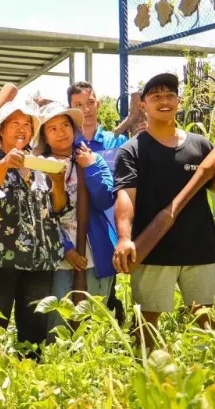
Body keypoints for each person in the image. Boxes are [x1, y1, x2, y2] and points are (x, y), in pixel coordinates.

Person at [112, 73, 215, 339]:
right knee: (147, 325)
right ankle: (146, 372)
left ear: (179, 101)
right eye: (156, 97)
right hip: (153, 249)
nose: (164, 102)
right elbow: (125, 198)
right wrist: (124, 238)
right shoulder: (132, 150)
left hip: (200, 248)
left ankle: (210, 375)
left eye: (170, 96)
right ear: (143, 105)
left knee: (207, 321)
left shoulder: (200, 145)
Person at [0, 100, 65, 350]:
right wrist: (4, 165)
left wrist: (59, 181)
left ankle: (30, 377)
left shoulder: (40, 163)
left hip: (39, 260)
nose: (22, 129)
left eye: (27, 124)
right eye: (15, 123)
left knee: (34, 332)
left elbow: (57, 208)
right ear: (1, 129)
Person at [33, 102, 117, 338]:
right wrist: (65, 248)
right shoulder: (40, 168)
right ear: (45, 138)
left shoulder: (93, 160)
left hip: (96, 252)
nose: (61, 132)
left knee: (95, 321)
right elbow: (42, 215)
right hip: (58, 255)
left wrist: (89, 168)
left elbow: (105, 200)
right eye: (52, 128)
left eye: (65, 125)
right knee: (59, 320)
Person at [67, 81, 133, 323]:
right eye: (78, 105)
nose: (86, 109)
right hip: (68, 231)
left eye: (90, 102)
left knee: (101, 301)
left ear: (98, 104)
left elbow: (114, 191)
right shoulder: (64, 142)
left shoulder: (115, 143)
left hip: (104, 231)